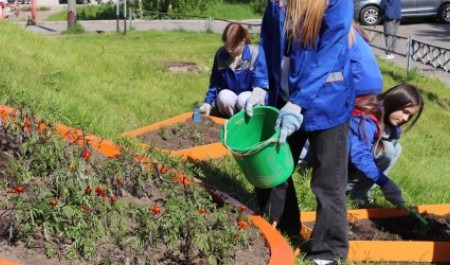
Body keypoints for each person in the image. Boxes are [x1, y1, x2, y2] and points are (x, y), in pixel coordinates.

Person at [245, 0, 354, 263]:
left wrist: (299, 101)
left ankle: (329, 251)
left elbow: (330, 51)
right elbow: (269, 41)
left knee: (328, 180)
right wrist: (260, 85)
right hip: (285, 98)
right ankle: (282, 227)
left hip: (327, 103)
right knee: (271, 166)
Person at [347, 83, 424, 207]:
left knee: (396, 148)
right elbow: (359, 157)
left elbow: (392, 132)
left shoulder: (383, 112)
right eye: (405, 111)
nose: (405, 118)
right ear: (395, 102)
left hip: (347, 156)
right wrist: (385, 183)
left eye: (410, 116)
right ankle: (351, 191)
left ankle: (363, 191)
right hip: (333, 160)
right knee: (386, 151)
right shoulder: (367, 118)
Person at [199, 22, 258, 118]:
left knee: (243, 99)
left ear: (243, 41)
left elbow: (262, 86)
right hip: (230, 98)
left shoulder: (255, 55)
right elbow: (215, 81)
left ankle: (249, 123)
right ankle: (234, 121)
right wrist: (207, 103)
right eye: (226, 46)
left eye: (233, 46)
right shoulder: (221, 55)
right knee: (223, 97)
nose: (229, 50)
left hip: (249, 98)